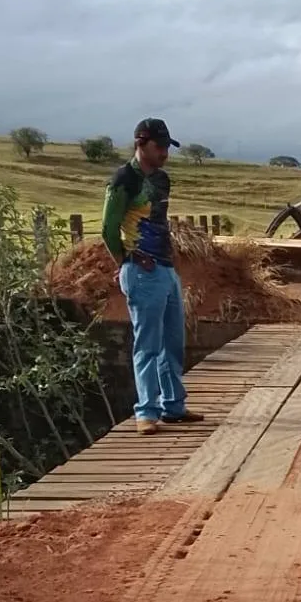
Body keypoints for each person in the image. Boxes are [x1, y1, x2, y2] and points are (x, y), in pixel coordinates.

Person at [101, 118, 203, 435]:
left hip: (166, 269)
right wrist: (125, 262)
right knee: (148, 344)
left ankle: (173, 405)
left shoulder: (162, 179)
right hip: (142, 270)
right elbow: (108, 228)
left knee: (173, 343)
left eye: (167, 147)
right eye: (159, 146)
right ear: (140, 144)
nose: (164, 153)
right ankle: (146, 412)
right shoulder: (123, 180)